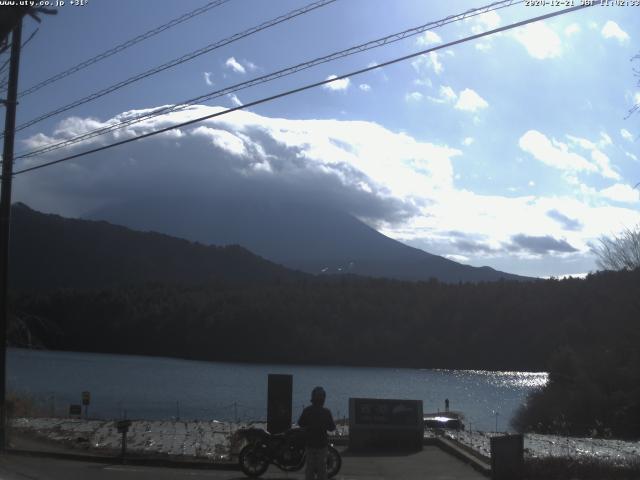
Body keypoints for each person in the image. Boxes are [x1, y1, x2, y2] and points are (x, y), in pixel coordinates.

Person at [298, 386, 336, 480]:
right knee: (322, 469)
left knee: (309, 468)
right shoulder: (326, 412)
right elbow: (332, 428)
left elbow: (301, 423)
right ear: (323, 398)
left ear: (312, 398)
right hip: (322, 444)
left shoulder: (307, 410)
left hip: (310, 444)